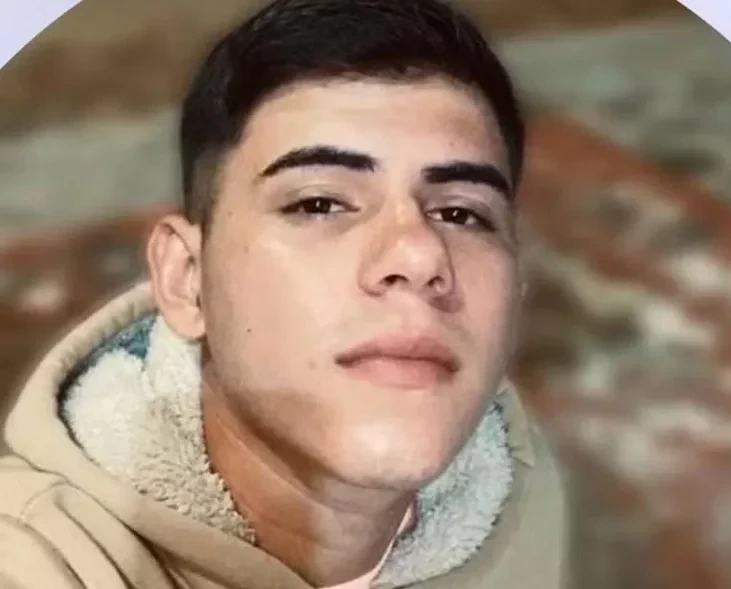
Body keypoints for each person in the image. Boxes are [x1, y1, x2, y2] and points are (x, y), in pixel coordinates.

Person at [0, 0, 569, 587]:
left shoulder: (519, 502)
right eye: (319, 204)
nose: (419, 255)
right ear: (187, 279)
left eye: (461, 213)